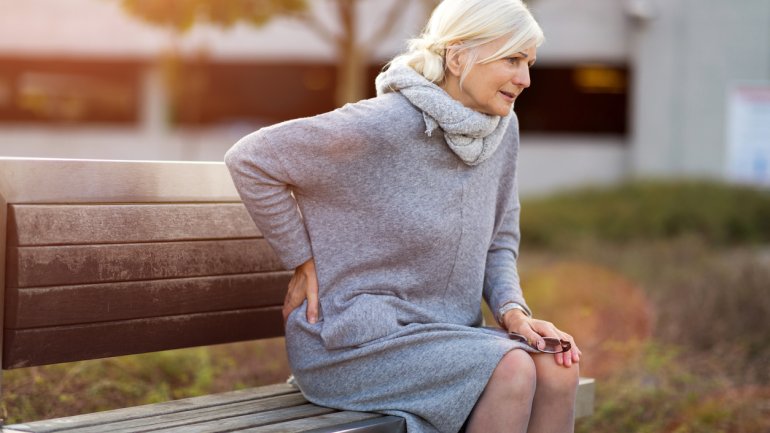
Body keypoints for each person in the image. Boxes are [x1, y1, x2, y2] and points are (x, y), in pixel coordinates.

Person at [225, 0, 581, 431]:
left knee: (559, 366)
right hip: (353, 343)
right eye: (511, 59)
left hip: (447, 337)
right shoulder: (384, 123)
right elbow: (251, 158)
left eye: (529, 63)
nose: (524, 79)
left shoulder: (502, 131)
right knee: (511, 369)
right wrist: (301, 260)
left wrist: (513, 313)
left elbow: (499, 239)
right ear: (458, 55)